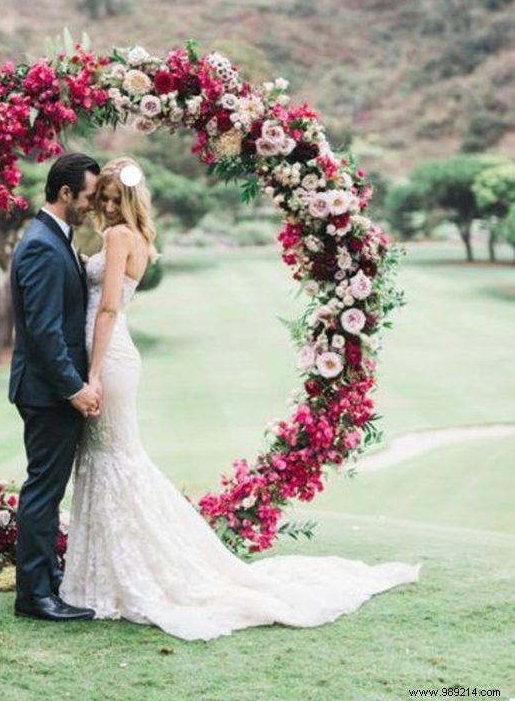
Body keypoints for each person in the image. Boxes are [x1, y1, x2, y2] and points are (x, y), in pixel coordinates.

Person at [59, 156, 421, 641]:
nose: (105, 206)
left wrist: (93, 373)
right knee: (110, 458)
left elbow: (105, 310)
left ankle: (125, 573)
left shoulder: (119, 237)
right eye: (100, 198)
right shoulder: (142, 238)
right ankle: (105, 571)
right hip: (116, 354)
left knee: (116, 460)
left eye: (112, 198)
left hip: (108, 357)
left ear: (128, 200)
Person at [8, 151, 102, 621]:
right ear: (65, 193)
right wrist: (75, 389)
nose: (93, 204)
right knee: (43, 492)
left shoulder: (55, 239)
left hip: (48, 390)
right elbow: (44, 332)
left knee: (46, 489)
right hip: (47, 393)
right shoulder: (44, 245)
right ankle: (35, 595)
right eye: (89, 196)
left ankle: (43, 583)